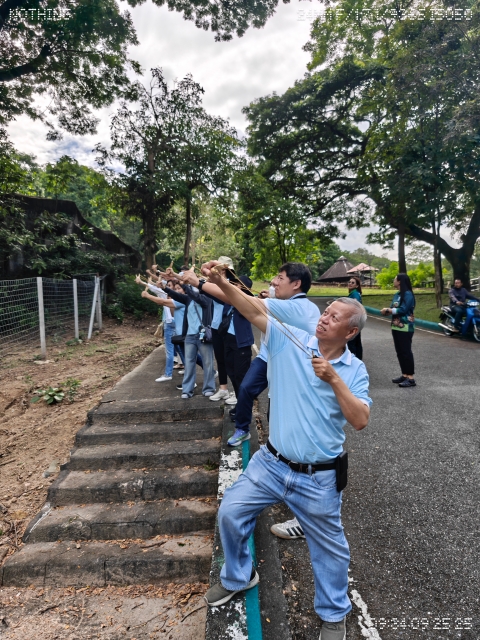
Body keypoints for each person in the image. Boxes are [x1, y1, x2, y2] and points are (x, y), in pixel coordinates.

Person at [200, 261, 371, 640]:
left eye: (335, 317)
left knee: (330, 550)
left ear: (351, 331)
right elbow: (250, 309)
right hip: (271, 463)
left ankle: (333, 615)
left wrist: (334, 378)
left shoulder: (354, 370)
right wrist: (222, 283)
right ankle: (239, 576)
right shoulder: (288, 339)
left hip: (319, 476)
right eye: (325, 312)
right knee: (230, 512)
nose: (324, 318)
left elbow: (360, 419)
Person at [164, 282, 215, 398]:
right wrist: (164, 288)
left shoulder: (206, 299)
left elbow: (196, 296)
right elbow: (176, 295)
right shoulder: (188, 299)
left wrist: (184, 284)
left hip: (203, 336)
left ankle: (209, 388)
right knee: (189, 363)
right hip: (189, 336)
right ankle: (187, 390)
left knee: (208, 362)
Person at [380, 273, 416, 388]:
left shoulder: (408, 294)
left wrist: (389, 310)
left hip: (406, 327)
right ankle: (404, 375)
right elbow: (393, 308)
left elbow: (403, 309)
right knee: (399, 351)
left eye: (395, 279)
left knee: (406, 351)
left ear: (399, 281)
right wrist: (387, 311)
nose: (394, 280)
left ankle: (411, 378)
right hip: (396, 326)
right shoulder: (397, 294)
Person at [346, 276, 363, 360]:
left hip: (354, 321)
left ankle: (353, 360)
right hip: (357, 320)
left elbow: (355, 307)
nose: (350, 284)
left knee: (351, 342)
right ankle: (358, 359)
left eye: (353, 283)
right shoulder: (354, 293)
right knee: (357, 341)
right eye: (349, 282)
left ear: (357, 285)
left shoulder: (355, 294)